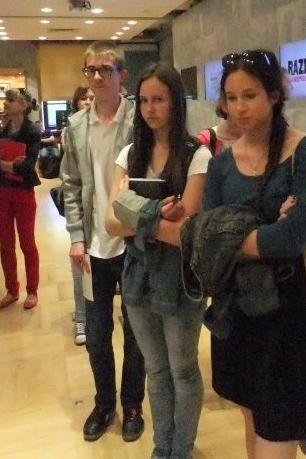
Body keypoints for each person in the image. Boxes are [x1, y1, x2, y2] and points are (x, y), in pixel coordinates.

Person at [202, 49, 306, 459]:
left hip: (290, 307)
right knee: (252, 412)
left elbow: (293, 238)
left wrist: (233, 240)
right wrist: (268, 229)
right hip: (238, 305)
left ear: (274, 95)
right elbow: (207, 238)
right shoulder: (222, 164)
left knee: (279, 422)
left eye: (250, 95)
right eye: (231, 97)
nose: (239, 107)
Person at [106, 62, 211, 459]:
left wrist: (134, 213)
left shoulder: (196, 155)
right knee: (155, 369)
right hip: (137, 276)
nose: (150, 109)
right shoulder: (130, 153)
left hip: (182, 279)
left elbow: (185, 233)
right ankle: (161, 446)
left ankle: (181, 450)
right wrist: (155, 215)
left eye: (159, 100)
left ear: (175, 102)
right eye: (144, 100)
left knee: (183, 369)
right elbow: (110, 222)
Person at [59, 41, 145, 442]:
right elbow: (71, 185)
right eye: (90, 70)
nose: (97, 77)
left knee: (136, 332)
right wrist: (77, 237)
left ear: (121, 75)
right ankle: (104, 402)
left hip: (133, 244)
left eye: (105, 70)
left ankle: (132, 404)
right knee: (96, 335)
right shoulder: (77, 125)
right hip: (93, 249)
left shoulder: (140, 120)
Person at [0, 87, 42, 310]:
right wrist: (10, 165)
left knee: (27, 242)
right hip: (1, 192)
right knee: (5, 243)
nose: (5, 102)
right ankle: (11, 289)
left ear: (24, 105)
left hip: (23, 192)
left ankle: (32, 290)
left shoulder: (32, 131)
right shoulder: (0, 132)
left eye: (11, 99)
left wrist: (6, 164)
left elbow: (28, 165)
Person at [65, 86, 93, 346]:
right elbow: (71, 180)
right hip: (85, 212)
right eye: (83, 98)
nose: (88, 101)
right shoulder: (73, 127)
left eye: (91, 97)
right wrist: (75, 232)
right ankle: (82, 317)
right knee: (80, 267)